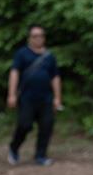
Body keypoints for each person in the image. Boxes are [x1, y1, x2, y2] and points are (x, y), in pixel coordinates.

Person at [7, 24, 62, 167]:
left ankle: (41, 155)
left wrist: (57, 98)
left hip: (46, 98)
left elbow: (55, 77)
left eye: (41, 36)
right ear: (29, 38)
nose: (38, 39)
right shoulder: (22, 54)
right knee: (24, 125)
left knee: (47, 126)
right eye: (35, 36)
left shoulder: (49, 56)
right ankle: (14, 148)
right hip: (27, 98)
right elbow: (14, 73)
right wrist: (12, 94)